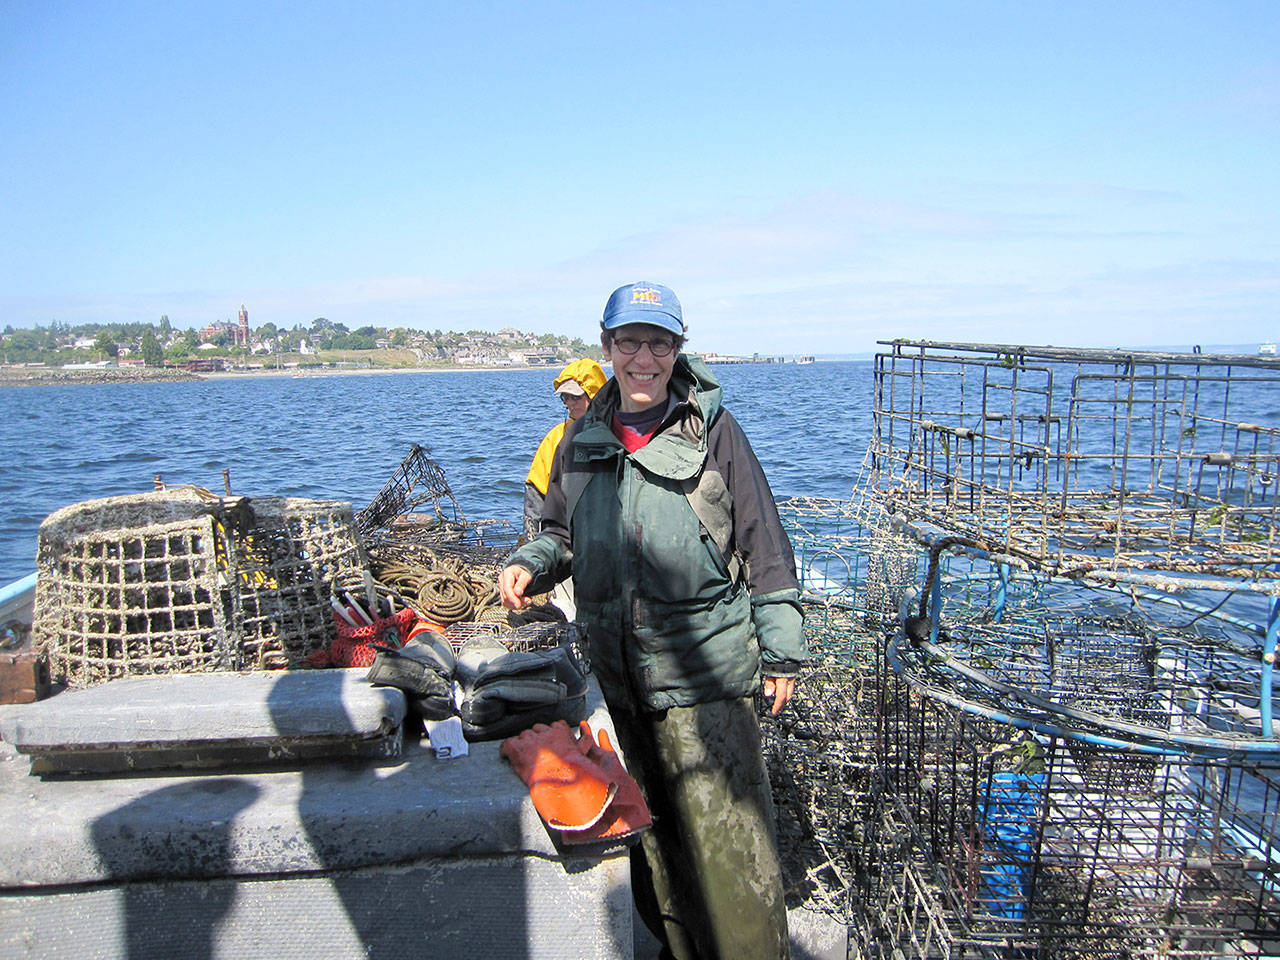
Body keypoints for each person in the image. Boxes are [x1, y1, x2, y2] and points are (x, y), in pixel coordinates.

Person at [499, 282, 807, 960]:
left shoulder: (714, 429)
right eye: (629, 342)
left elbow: (764, 541)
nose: (644, 358)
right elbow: (560, 533)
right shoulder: (581, 436)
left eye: (659, 343)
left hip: (705, 680)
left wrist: (782, 648)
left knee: (731, 854)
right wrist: (529, 563)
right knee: (656, 846)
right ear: (606, 347)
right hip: (621, 680)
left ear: (678, 349)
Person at [523, 358, 606, 540]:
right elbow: (536, 492)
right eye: (565, 398)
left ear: (594, 394)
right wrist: (531, 542)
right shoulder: (556, 437)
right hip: (564, 533)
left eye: (576, 397)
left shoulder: (617, 432)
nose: (570, 403)